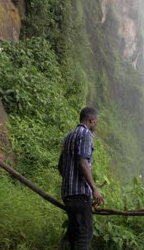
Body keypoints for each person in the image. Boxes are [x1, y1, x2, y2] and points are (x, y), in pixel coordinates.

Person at [58, 107, 104, 250]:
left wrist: (70, 180)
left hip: (67, 194)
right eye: (96, 121)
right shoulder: (86, 135)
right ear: (91, 120)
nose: (97, 124)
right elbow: (83, 162)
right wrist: (94, 189)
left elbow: (60, 165)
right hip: (80, 196)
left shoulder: (69, 136)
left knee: (75, 236)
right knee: (84, 236)